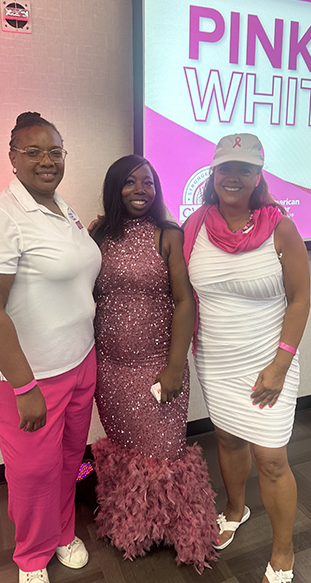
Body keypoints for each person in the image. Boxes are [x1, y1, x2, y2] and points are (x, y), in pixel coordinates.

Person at [0, 112, 102, 583]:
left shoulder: (63, 208)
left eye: (55, 152)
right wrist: (24, 386)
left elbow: (66, 269)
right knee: (33, 472)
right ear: (13, 158)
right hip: (26, 375)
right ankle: (32, 556)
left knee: (70, 458)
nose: (47, 161)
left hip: (78, 361)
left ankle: (62, 531)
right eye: (34, 152)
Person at [183, 134, 310, 583]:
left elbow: (299, 300)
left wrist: (279, 366)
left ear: (259, 176)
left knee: (271, 458)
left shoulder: (281, 227)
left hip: (267, 362)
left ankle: (283, 550)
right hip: (216, 361)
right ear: (213, 173)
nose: (233, 177)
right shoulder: (195, 225)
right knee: (229, 438)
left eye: (245, 169)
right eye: (226, 168)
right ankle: (236, 509)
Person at [90, 154, 218, 573]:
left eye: (148, 182)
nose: (140, 190)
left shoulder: (168, 234)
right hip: (110, 368)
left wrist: (175, 365)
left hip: (157, 366)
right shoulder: (99, 234)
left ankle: (175, 528)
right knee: (126, 448)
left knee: (163, 452)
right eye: (130, 182)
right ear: (115, 188)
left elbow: (184, 301)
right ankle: (133, 526)